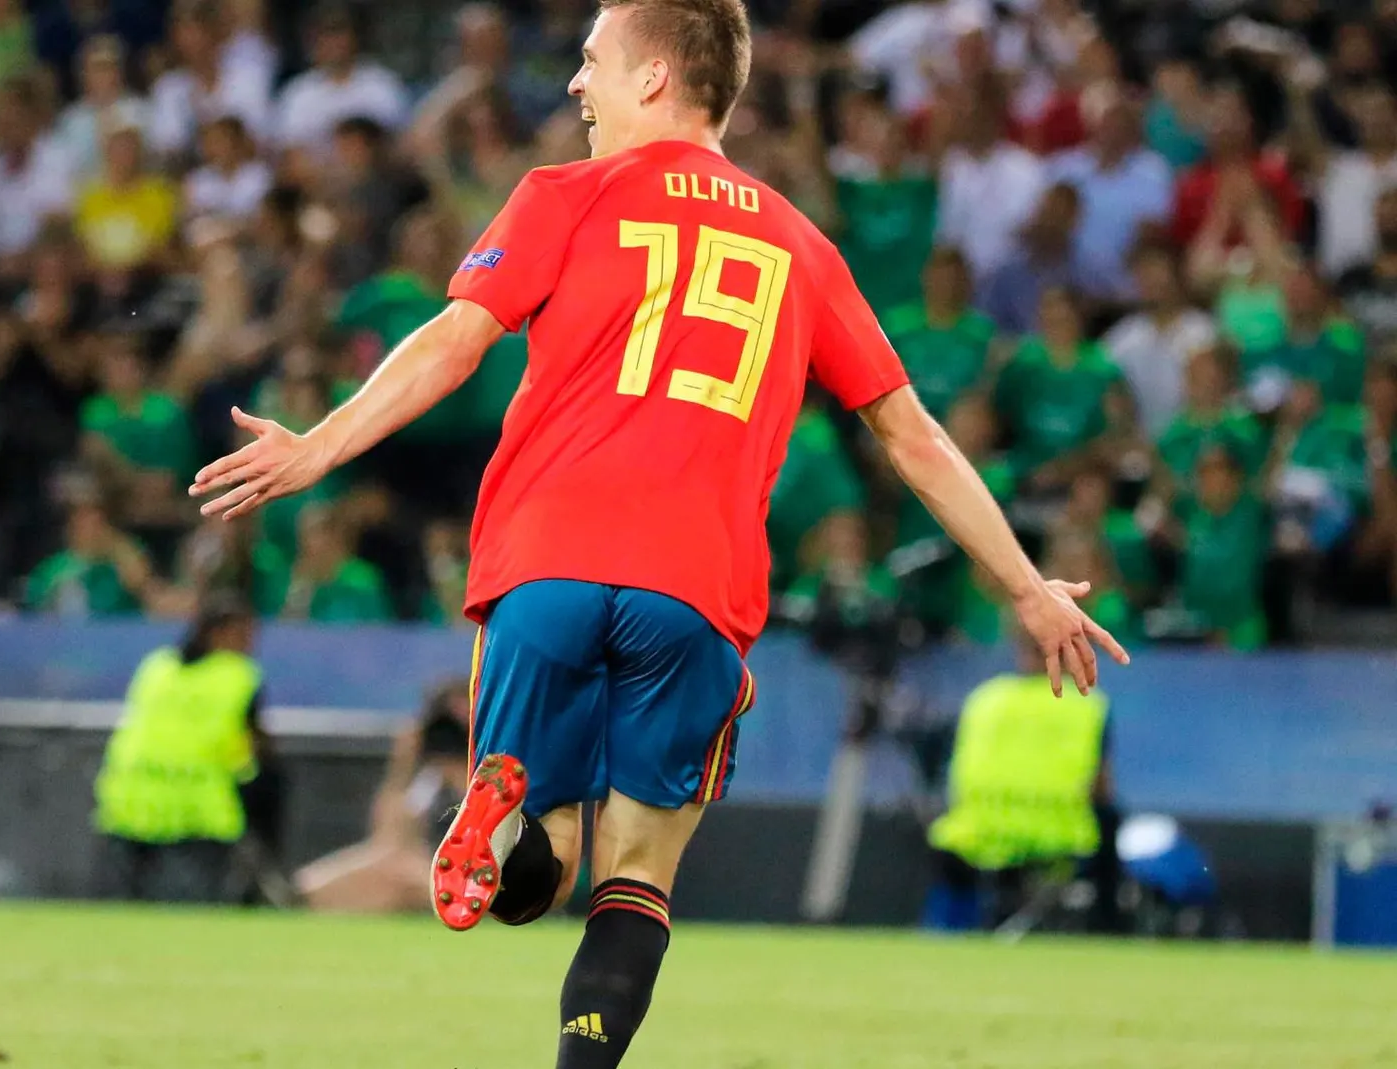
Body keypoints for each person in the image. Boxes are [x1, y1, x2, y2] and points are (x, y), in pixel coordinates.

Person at [190, 3, 1128, 1066]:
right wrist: (1025, 589)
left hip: (546, 560)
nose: (577, 86)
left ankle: (502, 826)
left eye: (592, 64)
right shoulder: (798, 242)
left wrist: (319, 444)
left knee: (524, 871)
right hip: (694, 587)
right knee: (634, 876)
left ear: (653, 80)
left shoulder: (563, 195)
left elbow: (455, 342)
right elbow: (909, 436)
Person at [923, 629, 1124, 935]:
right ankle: (1107, 931)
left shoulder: (985, 698)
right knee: (1111, 820)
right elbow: (1101, 787)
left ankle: (943, 933)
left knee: (951, 865)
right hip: (1055, 836)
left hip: (975, 833)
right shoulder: (1088, 707)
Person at [92, 595, 263, 903]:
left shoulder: (156, 666)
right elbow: (252, 745)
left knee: (122, 908)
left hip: (130, 797)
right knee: (194, 910)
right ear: (217, 634)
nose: (250, 645)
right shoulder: (238, 676)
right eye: (244, 635)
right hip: (197, 805)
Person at [295, 678, 472, 912]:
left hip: (468, 873)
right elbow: (385, 837)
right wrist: (402, 765)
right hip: (417, 865)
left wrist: (462, 770)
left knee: (399, 879)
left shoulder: (488, 770)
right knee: (315, 883)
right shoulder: (429, 779)